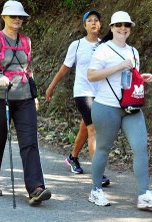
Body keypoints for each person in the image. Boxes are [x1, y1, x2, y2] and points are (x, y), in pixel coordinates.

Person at [86, 10, 152, 208]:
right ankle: (96, 190)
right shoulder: (102, 50)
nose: (123, 28)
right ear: (111, 28)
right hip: (106, 106)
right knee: (103, 148)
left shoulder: (134, 51)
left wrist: (142, 77)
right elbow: (92, 76)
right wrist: (118, 66)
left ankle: (144, 194)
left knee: (141, 148)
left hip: (131, 107)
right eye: (119, 25)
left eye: (127, 25)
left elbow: (129, 77)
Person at [0, 0, 51, 206]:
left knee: (30, 142)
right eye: (13, 16)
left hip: (25, 99)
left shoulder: (26, 41)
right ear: (4, 17)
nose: (18, 19)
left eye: (21, 16)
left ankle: (36, 188)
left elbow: (28, 70)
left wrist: (35, 95)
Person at [45, 9, 109, 187]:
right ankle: (98, 174)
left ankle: (72, 158)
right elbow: (65, 68)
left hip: (101, 93)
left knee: (85, 127)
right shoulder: (77, 45)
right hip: (83, 92)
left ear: (101, 24)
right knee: (93, 129)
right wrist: (51, 86)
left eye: (97, 20)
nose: (94, 23)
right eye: (90, 20)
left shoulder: (105, 45)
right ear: (85, 25)